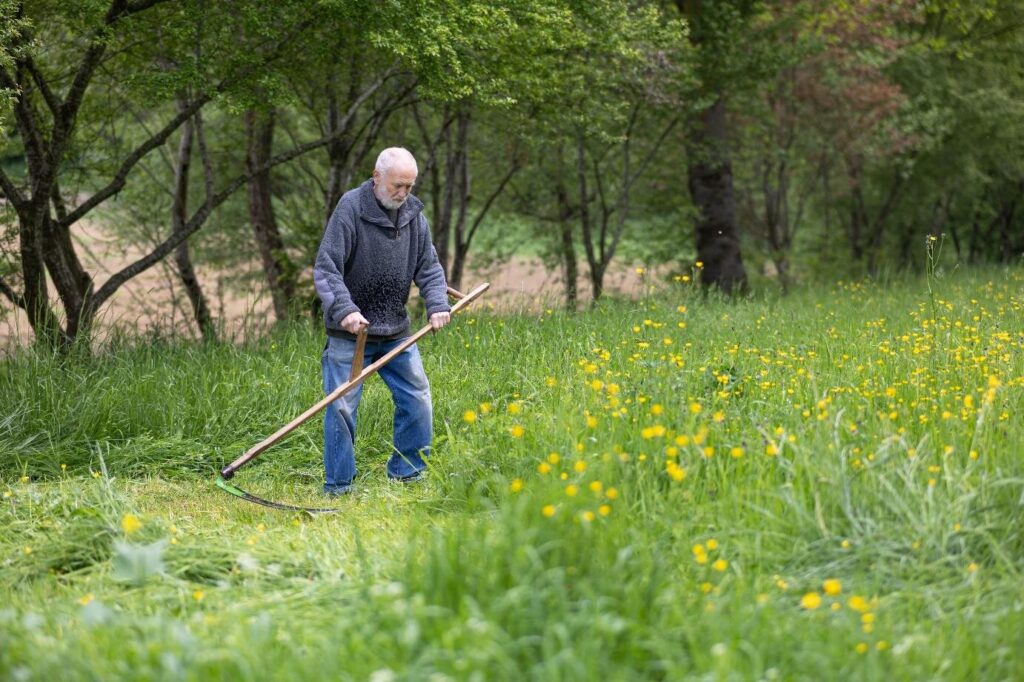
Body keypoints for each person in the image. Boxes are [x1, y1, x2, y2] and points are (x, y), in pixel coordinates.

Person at [313, 147, 450, 496]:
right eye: (397, 186)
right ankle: (339, 487)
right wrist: (345, 310)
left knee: (417, 398)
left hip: (396, 330)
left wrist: (437, 304)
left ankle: (408, 476)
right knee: (341, 408)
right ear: (376, 177)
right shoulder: (350, 209)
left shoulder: (414, 217)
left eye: (409, 186)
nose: (403, 193)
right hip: (351, 334)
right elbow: (327, 268)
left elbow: (429, 268)